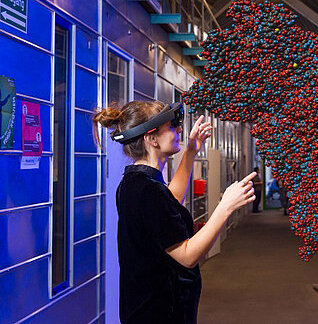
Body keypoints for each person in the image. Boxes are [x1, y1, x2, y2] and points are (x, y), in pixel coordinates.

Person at [93, 100, 256, 324]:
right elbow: (187, 256)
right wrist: (225, 206)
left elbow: (171, 199)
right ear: (151, 139)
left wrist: (190, 150)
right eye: (171, 127)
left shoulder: (137, 181)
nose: (179, 129)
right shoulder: (146, 190)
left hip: (149, 309)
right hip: (159, 313)